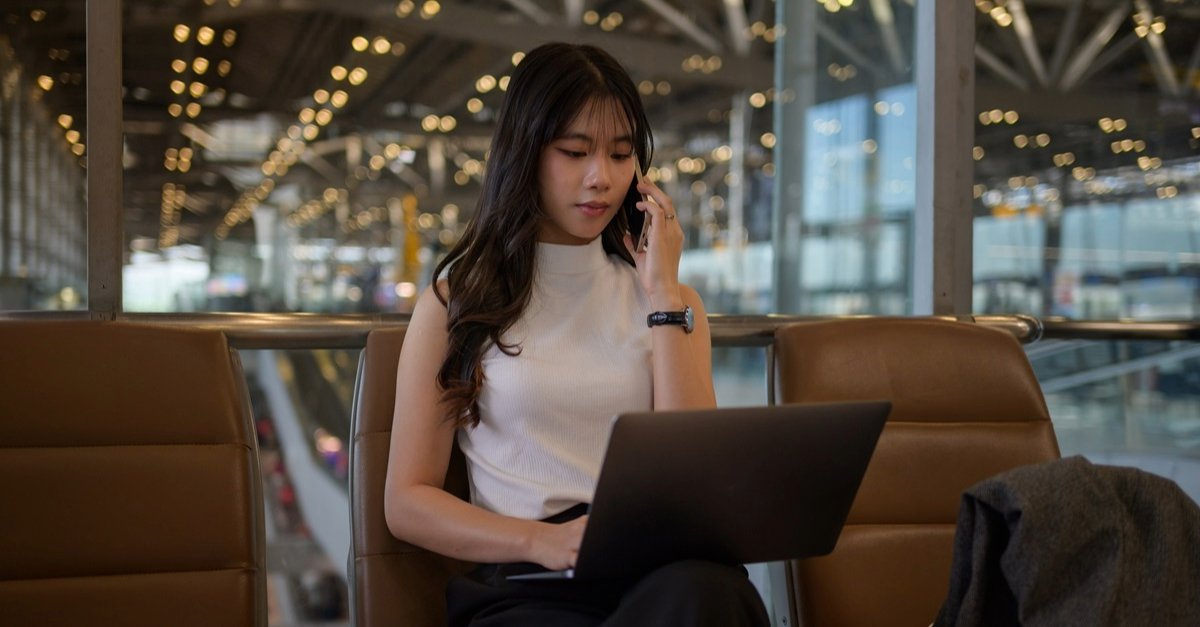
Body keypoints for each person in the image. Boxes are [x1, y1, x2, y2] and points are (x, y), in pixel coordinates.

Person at [383, 42, 770, 627]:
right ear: (527, 154)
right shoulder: (456, 302)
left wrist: (664, 299)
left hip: (655, 571)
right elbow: (407, 502)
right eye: (575, 152)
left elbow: (694, 480)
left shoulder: (671, 302)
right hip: (530, 581)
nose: (602, 178)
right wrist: (540, 543)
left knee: (704, 593)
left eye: (620, 156)